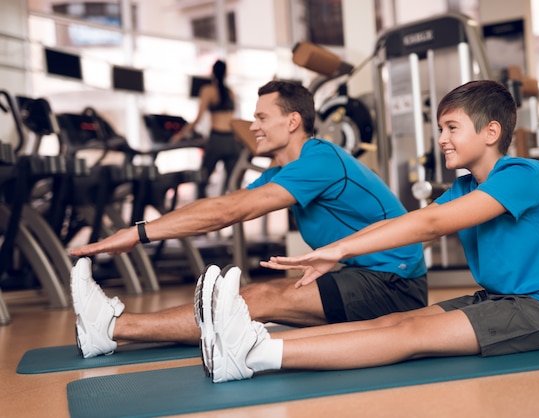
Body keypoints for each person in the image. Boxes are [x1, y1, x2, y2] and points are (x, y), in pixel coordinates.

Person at [195, 79, 539, 383]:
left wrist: (335, 252)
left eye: (452, 128)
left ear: (490, 133)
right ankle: (246, 339)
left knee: (410, 333)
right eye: (441, 128)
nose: (442, 139)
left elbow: (430, 224)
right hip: (503, 298)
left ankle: (250, 358)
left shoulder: (522, 175)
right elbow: (404, 225)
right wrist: (340, 249)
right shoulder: (466, 186)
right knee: (392, 321)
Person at [68, 80, 429, 359]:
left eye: (261, 117)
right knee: (247, 299)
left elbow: (228, 213)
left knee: (257, 299)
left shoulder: (320, 161)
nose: (253, 126)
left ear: (292, 121)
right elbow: (226, 205)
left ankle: (113, 326)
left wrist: (138, 234)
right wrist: (142, 231)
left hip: (393, 284)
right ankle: (110, 326)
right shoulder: (282, 171)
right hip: (360, 275)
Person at [171, 59, 243, 198]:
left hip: (217, 139)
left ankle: (202, 213)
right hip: (232, 140)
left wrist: (180, 134)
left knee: (202, 180)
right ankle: (234, 217)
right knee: (233, 184)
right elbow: (233, 119)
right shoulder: (231, 92)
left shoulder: (208, 90)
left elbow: (198, 118)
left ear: (213, 72)